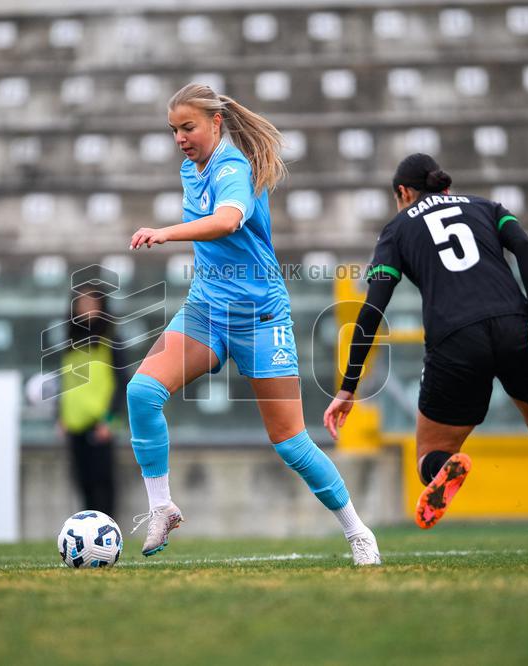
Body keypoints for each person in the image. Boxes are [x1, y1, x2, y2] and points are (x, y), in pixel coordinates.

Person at [323, 153, 528, 568]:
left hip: (456, 339)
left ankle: (445, 466)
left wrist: (348, 387)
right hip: (515, 326)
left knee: (429, 450)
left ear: (403, 193)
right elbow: (524, 246)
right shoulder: (487, 207)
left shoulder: (397, 229)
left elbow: (373, 308)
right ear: (443, 186)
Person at [125, 83, 380, 564]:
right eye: (174, 130)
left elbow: (228, 220)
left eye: (188, 127)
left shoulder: (232, 166)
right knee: (141, 394)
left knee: (291, 443)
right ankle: (163, 506)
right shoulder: (190, 168)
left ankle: (358, 532)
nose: (180, 138)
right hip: (205, 311)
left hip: (260, 319)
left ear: (215, 123)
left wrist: (164, 233)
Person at [55, 286, 125, 518]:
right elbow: (65, 382)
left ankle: (106, 529)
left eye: (91, 304)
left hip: (99, 424)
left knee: (102, 482)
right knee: (82, 481)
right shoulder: (69, 343)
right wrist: (60, 417)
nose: (85, 309)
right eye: (81, 304)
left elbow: (121, 382)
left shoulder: (111, 340)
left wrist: (110, 419)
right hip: (74, 423)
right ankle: (87, 532)